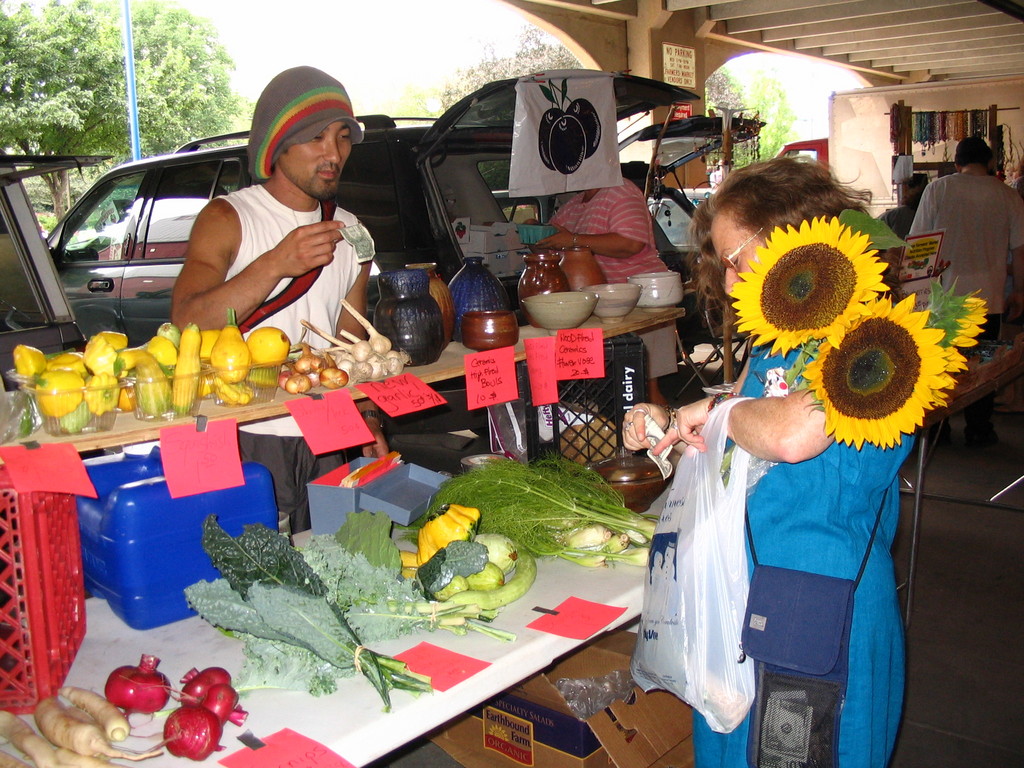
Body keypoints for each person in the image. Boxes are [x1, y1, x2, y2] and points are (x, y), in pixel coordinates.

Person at [623, 158, 912, 768]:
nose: (729, 284)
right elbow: (751, 428)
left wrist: (716, 413)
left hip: (821, 613)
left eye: (737, 259)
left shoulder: (875, 334)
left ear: (794, 233)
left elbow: (793, 433)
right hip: (753, 600)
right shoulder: (784, 332)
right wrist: (677, 429)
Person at [172, 66, 387, 534]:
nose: (334, 153)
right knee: (251, 574)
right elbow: (187, 323)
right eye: (316, 137)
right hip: (248, 432)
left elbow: (352, 344)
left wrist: (368, 417)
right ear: (277, 143)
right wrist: (274, 263)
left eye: (343, 137)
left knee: (330, 561)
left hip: (331, 432)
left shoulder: (354, 232)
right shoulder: (229, 217)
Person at [909, 136, 1024, 446]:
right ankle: (979, 428)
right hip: (990, 296)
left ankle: (938, 430)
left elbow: (919, 244)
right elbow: (1020, 250)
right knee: (984, 364)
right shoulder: (1008, 196)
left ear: (957, 163)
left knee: (943, 361)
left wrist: (914, 295)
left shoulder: (938, 189)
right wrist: (1020, 292)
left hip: (944, 296)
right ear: (989, 163)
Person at [536, 180, 676, 404]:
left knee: (644, 388)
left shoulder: (621, 191)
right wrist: (537, 233)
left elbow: (630, 243)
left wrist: (573, 240)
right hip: (596, 306)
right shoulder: (575, 204)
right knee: (610, 391)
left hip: (639, 301)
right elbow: (553, 241)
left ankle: (658, 438)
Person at [878, 172, 928, 240]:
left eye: (910, 185)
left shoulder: (905, 214)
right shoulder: (903, 214)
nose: (904, 189)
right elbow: (897, 249)